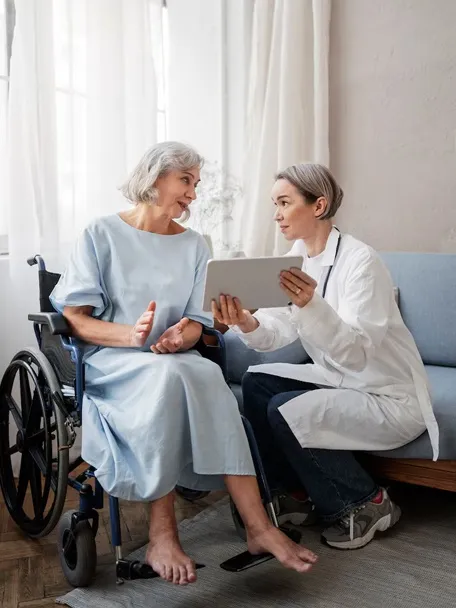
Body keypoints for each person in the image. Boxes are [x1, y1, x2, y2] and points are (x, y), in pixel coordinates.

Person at [50, 142, 318, 586]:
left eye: (196, 183)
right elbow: (75, 320)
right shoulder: (100, 233)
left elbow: (197, 320)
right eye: (186, 181)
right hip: (114, 362)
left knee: (205, 371)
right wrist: (130, 336)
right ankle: (162, 533)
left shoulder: (195, 245)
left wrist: (183, 334)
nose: (193, 194)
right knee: (175, 376)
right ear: (155, 177)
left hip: (173, 360)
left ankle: (259, 527)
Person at [212, 162, 439, 550]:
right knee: (256, 382)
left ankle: (365, 501)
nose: (277, 214)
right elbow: (279, 327)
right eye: (274, 204)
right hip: (342, 379)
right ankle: (293, 494)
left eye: (284, 203)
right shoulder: (298, 254)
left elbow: (356, 353)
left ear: (318, 206)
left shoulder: (362, 263)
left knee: (286, 408)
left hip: (386, 394)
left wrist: (311, 304)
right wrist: (245, 322)